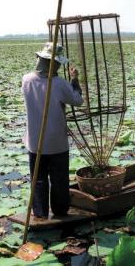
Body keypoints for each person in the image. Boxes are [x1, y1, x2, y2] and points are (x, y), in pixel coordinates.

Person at [21, 42, 83, 219]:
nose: (57, 66)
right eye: (56, 64)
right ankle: (60, 212)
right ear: (52, 64)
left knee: (38, 180)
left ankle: (39, 213)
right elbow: (78, 100)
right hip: (57, 143)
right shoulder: (60, 84)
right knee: (59, 180)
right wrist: (75, 80)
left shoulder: (26, 80)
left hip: (35, 141)